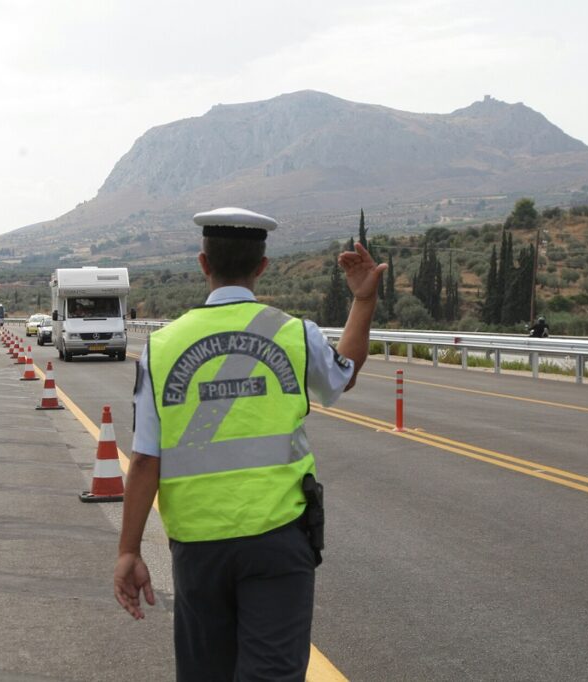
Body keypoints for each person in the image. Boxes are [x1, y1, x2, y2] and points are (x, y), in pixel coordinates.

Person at [113, 207, 387, 681]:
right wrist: (362, 302)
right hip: (279, 539)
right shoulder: (294, 333)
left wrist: (128, 551)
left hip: (199, 549)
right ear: (263, 266)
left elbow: (144, 461)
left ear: (203, 264)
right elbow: (344, 375)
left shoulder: (161, 348)